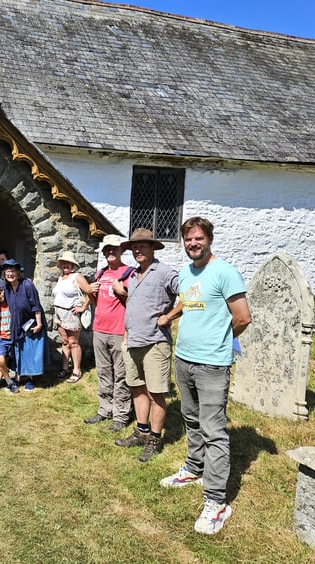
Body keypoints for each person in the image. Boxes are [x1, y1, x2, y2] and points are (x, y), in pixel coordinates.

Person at [160, 217, 251, 535]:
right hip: (184, 359)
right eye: (188, 239)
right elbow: (188, 301)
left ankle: (217, 502)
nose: (193, 244)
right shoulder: (186, 273)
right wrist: (171, 316)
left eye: (198, 238)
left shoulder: (225, 272)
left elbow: (243, 317)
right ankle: (193, 469)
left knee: (214, 430)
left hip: (212, 364)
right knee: (190, 418)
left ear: (209, 239)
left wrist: (220, 340)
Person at [114, 228, 180, 462]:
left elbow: (191, 294)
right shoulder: (133, 275)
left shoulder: (164, 272)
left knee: (156, 393)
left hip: (155, 343)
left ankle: (154, 438)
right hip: (133, 342)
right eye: (134, 246)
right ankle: (141, 431)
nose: (137, 249)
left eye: (143, 245)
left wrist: (169, 316)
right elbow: (133, 306)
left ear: (153, 247)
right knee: (137, 388)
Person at [83, 235, 135, 431]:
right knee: (103, 371)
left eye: (114, 249)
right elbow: (98, 302)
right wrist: (89, 291)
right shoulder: (100, 273)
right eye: (107, 249)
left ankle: (120, 415)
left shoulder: (129, 273)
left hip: (119, 330)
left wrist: (122, 292)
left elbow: (137, 300)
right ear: (104, 253)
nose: (110, 252)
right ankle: (105, 409)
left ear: (121, 250)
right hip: (100, 329)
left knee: (121, 374)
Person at [0, 259, 46, 392]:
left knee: (28, 351)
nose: (10, 274)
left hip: (29, 324)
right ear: (4, 274)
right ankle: (18, 378)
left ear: (18, 273)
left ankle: (30, 378)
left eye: (13, 271)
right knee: (17, 351)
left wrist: (39, 323)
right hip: (15, 324)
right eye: (8, 271)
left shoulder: (27, 285)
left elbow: (36, 305)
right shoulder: (6, 287)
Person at [51, 251, 91, 384]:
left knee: (73, 342)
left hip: (70, 313)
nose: (65, 265)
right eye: (63, 263)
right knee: (64, 342)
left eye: (68, 263)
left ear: (73, 265)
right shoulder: (61, 278)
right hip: (59, 313)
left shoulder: (77, 277)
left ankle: (77, 370)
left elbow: (90, 292)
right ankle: (65, 368)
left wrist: (83, 307)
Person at [0, 284, 19, 393]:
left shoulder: (11, 305)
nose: (0, 296)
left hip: (12, 337)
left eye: (1, 292)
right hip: (1, 338)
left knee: (7, 360)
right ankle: (9, 381)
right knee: (0, 361)